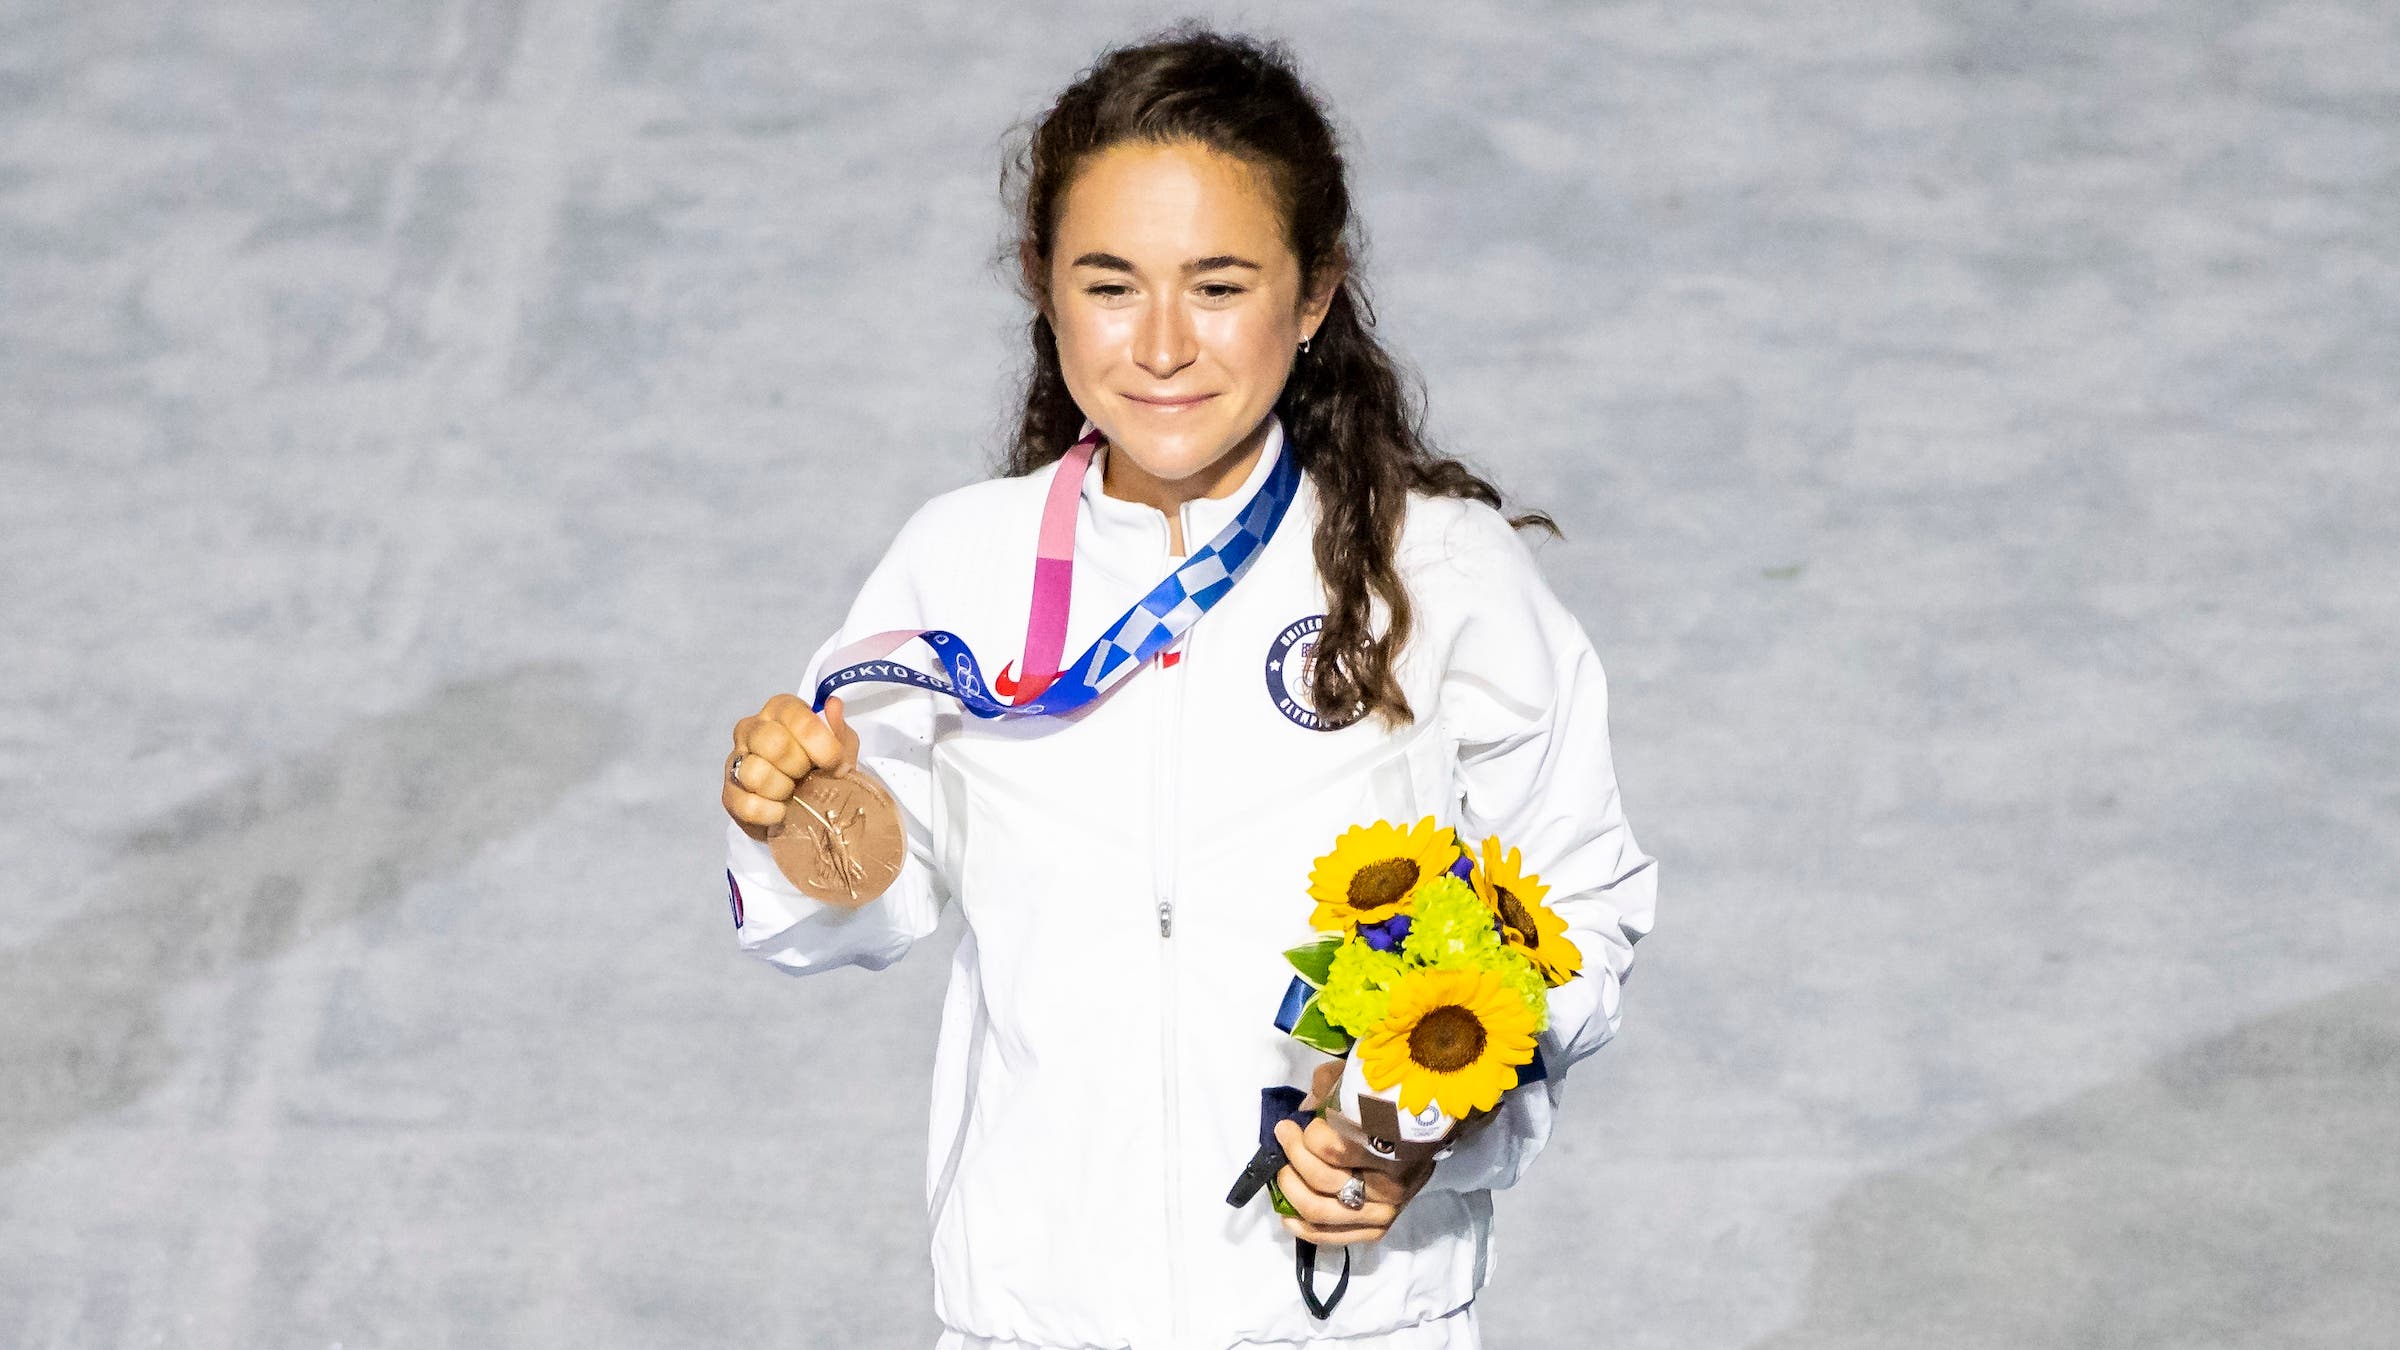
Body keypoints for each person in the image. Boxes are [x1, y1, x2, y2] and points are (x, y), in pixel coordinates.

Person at [718, 25, 1656, 1350]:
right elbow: (861, 908)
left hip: (1351, 1317)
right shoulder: (960, 565)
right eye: (1110, 283)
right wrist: (803, 819)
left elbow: (1581, 896)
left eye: (1219, 285)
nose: (1161, 344)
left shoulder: (1436, 568)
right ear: (1044, 287)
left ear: (1316, 290)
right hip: (1037, 1321)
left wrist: (1437, 1128)